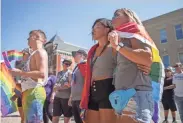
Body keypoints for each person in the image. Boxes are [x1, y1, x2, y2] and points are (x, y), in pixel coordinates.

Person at [80, 18, 151, 123]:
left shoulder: (114, 47)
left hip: (108, 89)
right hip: (93, 90)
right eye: (93, 28)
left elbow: (129, 62)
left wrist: (147, 67)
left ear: (107, 29)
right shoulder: (92, 50)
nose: (93, 30)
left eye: (97, 27)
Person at [108, 8, 163, 123]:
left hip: (136, 94)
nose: (112, 18)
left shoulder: (134, 31)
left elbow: (146, 58)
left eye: (116, 15)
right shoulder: (122, 36)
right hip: (123, 94)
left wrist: (118, 46)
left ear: (129, 16)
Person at [10, 30, 48, 123]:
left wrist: (20, 73)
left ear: (36, 37)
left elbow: (42, 74)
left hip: (34, 92)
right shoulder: (34, 54)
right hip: (29, 93)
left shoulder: (40, 52)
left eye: (29, 36)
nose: (27, 39)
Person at [11, 48, 31, 123]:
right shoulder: (18, 63)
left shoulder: (31, 65)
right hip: (20, 94)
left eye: (24, 53)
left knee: (27, 117)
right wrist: (16, 95)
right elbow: (18, 82)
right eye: (22, 53)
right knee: (22, 118)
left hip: (28, 94)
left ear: (29, 55)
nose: (22, 55)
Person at [68, 49, 87, 123]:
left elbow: (86, 81)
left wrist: (84, 97)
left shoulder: (84, 65)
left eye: (76, 54)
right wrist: (71, 97)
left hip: (81, 99)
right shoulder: (76, 68)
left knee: (83, 120)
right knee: (77, 121)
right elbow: (73, 84)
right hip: (75, 99)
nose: (74, 57)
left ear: (82, 56)